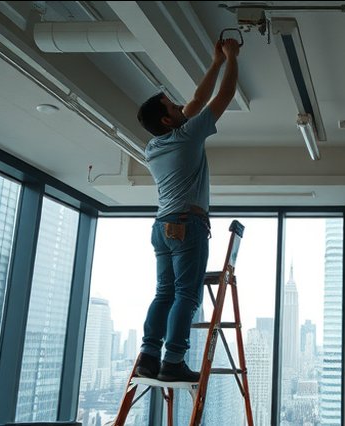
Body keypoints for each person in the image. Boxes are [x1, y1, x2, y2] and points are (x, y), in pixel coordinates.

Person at [133, 38, 240, 382]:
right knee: (186, 296)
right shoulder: (186, 137)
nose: (181, 105)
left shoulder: (154, 145)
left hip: (162, 226)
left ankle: (149, 357)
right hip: (185, 225)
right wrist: (232, 58)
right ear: (167, 119)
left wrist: (215, 61)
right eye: (173, 105)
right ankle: (174, 360)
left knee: (164, 293)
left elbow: (195, 101)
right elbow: (221, 98)